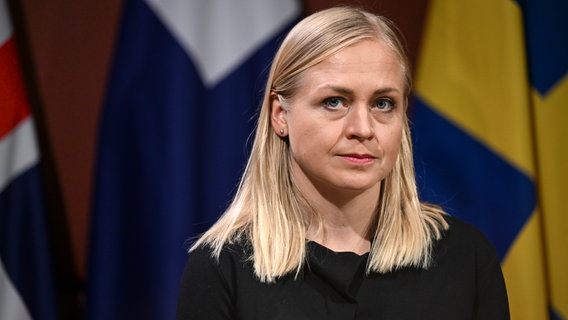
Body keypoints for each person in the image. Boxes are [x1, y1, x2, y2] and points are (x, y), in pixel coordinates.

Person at [176, 6, 509, 320]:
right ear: (281, 115)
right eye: (334, 102)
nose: (362, 129)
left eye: (383, 103)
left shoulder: (467, 260)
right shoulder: (222, 268)